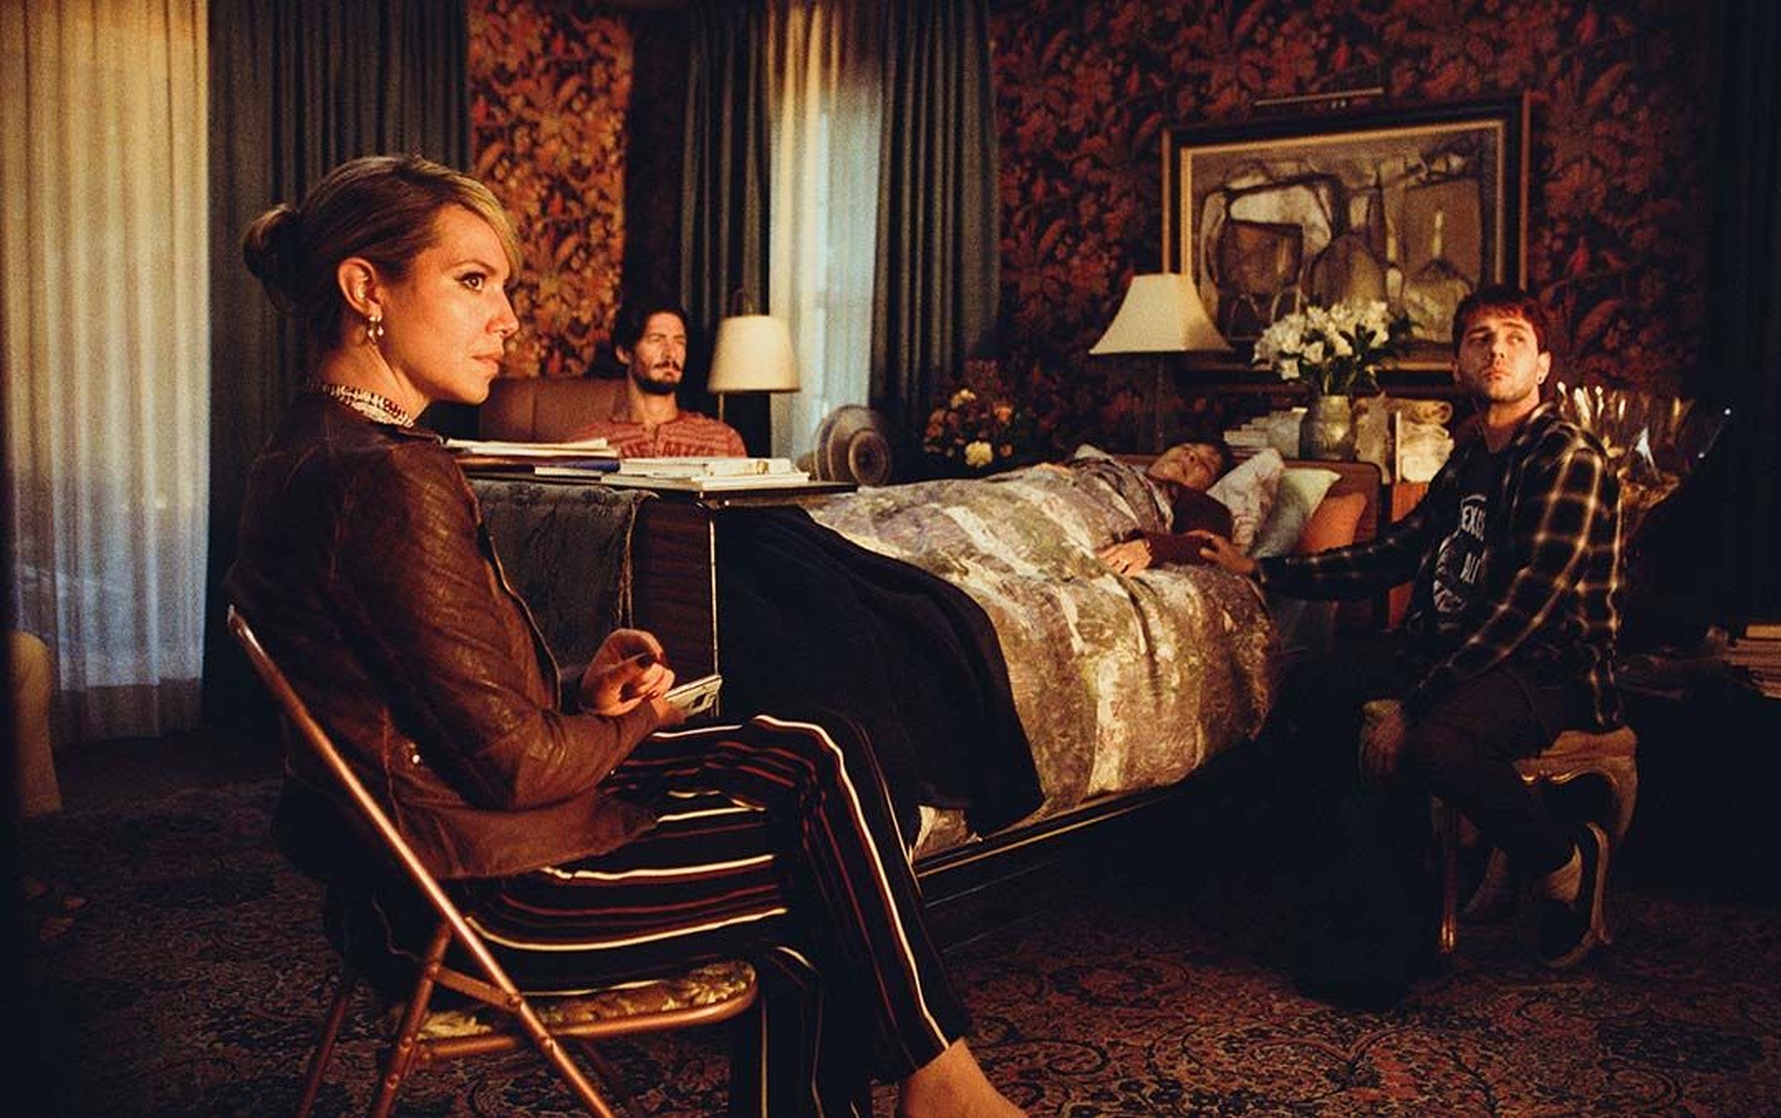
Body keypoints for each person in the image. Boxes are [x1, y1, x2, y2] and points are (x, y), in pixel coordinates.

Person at [229, 154, 1023, 1117]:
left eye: (504, 287)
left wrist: (580, 694)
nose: (507, 318)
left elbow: (422, 692)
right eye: (473, 281)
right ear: (367, 290)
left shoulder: (314, 446)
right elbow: (514, 768)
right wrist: (640, 722)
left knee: (823, 752)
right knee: (849, 858)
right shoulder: (383, 477)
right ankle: (944, 1087)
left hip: (402, 864)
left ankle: (938, 1082)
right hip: (487, 892)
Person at [1199, 284, 1622, 1003]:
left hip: (1548, 665)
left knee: (1432, 741)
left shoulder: (1566, 457)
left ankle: (1564, 863)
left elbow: (1524, 608)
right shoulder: (1468, 458)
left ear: (1543, 365)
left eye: (1515, 339)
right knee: (1311, 687)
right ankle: (1363, 906)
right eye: (1480, 339)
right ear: (1458, 363)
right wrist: (1260, 569)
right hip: (1453, 649)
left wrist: (1414, 705)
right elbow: (1392, 553)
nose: (1496, 351)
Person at [571, 298, 748, 458]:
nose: (671, 354)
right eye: (656, 339)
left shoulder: (724, 440)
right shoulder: (587, 444)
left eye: (679, 342)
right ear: (624, 353)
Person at [1093, 439, 1236, 575]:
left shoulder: (1204, 504)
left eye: (1206, 464)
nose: (1191, 455)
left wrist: (1151, 547)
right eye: (1186, 447)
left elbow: (1210, 547)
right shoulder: (1113, 469)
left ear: (1211, 484)